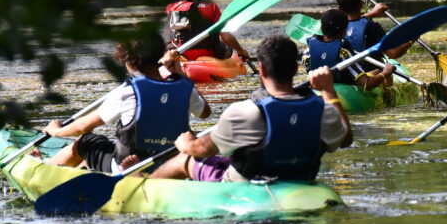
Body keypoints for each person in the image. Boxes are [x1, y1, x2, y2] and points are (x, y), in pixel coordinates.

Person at [150, 34, 352, 183]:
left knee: (184, 159)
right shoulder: (323, 110)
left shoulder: (244, 112)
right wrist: (328, 90)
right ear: (296, 69)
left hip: (245, 182)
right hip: (301, 177)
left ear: (262, 69)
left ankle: (143, 188)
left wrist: (185, 143)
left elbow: (201, 150)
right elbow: (346, 139)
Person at [40, 36, 211, 173]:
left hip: (129, 166)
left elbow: (83, 126)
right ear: (160, 55)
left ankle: (47, 168)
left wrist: (56, 131)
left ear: (128, 62)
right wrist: (179, 72)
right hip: (172, 164)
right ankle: (83, 168)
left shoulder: (127, 91)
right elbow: (205, 113)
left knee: (88, 141)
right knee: (105, 147)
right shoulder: (185, 87)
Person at [164, 0, 251, 61]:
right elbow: (225, 35)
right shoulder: (209, 5)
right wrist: (241, 51)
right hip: (206, 54)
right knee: (227, 47)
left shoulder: (171, 6)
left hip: (178, 53)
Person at [306, 8, 395, 91]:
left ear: (322, 29)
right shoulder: (344, 52)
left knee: (376, 71)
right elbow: (366, 84)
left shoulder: (307, 51)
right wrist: (386, 73)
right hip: (345, 89)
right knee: (382, 72)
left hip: (319, 88)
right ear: (344, 31)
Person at [335, 0, 414, 60]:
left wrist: (373, 13)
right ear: (361, 4)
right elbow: (393, 53)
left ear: (339, 8)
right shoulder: (372, 27)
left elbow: (353, 23)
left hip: (346, 73)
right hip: (373, 73)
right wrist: (412, 38)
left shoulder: (334, 27)